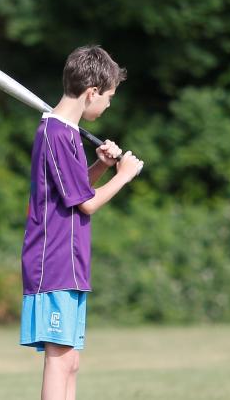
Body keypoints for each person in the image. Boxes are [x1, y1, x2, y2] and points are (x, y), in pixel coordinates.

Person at [19, 45, 144, 400]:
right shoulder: (56, 134)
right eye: (108, 97)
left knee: (71, 362)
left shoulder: (68, 134)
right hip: (53, 261)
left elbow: (74, 192)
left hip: (72, 262)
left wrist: (102, 167)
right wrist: (123, 176)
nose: (108, 105)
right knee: (59, 362)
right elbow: (86, 205)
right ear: (91, 93)